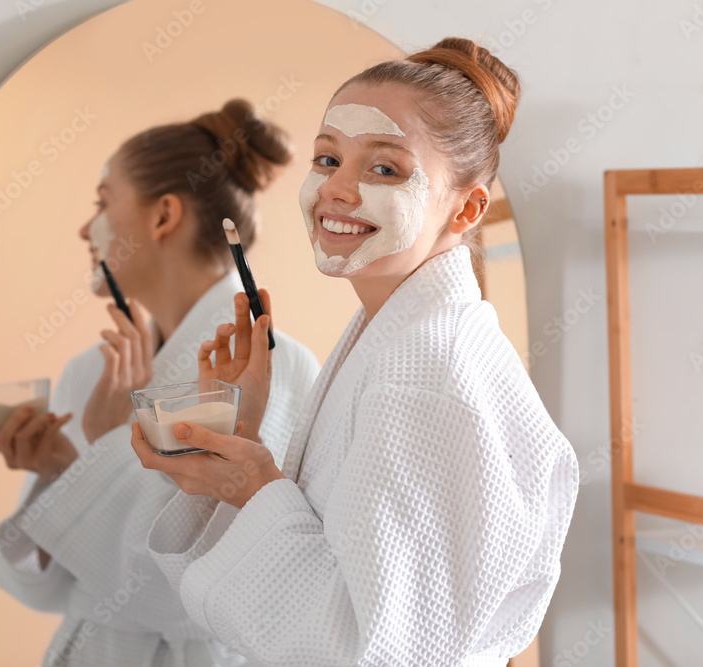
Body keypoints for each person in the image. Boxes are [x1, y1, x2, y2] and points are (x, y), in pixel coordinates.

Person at [131, 38, 580, 666]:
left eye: (384, 169)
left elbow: (374, 649)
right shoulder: (393, 333)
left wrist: (254, 485)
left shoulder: (423, 370)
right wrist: (244, 434)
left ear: (468, 207)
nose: (336, 190)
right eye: (326, 158)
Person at [0, 99, 321, 667]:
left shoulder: (266, 371)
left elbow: (210, 595)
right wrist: (54, 469)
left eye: (103, 202)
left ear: (163, 216)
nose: (86, 228)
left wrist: (98, 453)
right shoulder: (94, 371)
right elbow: (37, 586)